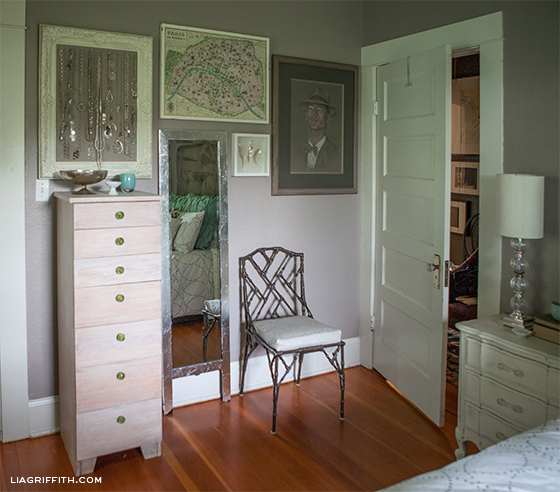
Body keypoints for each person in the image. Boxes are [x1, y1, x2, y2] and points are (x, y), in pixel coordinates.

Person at [291, 86, 341, 173]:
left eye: (319, 109)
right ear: (306, 115)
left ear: (328, 118)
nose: (314, 113)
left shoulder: (336, 153)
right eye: (310, 108)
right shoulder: (296, 152)